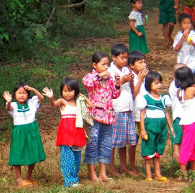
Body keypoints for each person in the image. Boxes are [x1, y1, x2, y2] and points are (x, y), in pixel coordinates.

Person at [42, 78, 93, 187]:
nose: (67, 93)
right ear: (61, 91)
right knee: (67, 156)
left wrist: (84, 98)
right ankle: (68, 180)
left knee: (77, 156)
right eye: (65, 91)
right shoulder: (62, 101)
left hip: (77, 131)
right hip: (66, 131)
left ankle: (75, 179)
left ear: (75, 91)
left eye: (70, 90)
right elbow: (54, 104)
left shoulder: (78, 102)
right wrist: (51, 98)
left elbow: (91, 106)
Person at [82, 51, 121, 182]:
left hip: (108, 116)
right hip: (94, 117)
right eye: (103, 64)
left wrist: (118, 83)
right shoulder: (90, 77)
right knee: (93, 143)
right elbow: (87, 84)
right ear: (94, 65)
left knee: (105, 144)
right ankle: (92, 173)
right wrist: (99, 76)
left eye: (107, 65)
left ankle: (103, 173)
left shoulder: (109, 79)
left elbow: (115, 94)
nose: (105, 67)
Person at [2, 83, 45, 187]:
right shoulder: (13, 105)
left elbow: (41, 97)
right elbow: (9, 109)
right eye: (19, 93)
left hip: (32, 131)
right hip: (19, 132)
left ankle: (29, 176)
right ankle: (19, 179)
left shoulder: (31, 102)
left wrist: (33, 88)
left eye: (24, 93)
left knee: (33, 152)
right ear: (14, 95)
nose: (22, 95)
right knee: (18, 153)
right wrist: (8, 102)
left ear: (28, 95)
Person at [107, 44, 139, 177]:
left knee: (124, 139)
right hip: (117, 107)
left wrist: (130, 81)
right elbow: (109, 89)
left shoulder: (126, 69)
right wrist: (122, 81)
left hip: (128, 106)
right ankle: (111, 168)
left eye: (126, 58)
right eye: (122, 58)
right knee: (113, 140)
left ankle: (124, 166)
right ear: (113, 57)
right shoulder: (110, 71)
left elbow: (132, 91)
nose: (124, 60)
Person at [174, 66, 195, 181]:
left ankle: (193, 173)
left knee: (194, 147)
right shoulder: (192, 89)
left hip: (187, 121)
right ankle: (182, 174)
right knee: (187, 147)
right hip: (191, 122)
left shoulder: (180, 91)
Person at [139, 71, 174, 182]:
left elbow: (166, 113)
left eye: (160, 83)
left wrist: (170, 127)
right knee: (149, 150)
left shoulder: (164, 98)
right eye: (156, 83)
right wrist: (143, 129)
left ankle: (158, 174)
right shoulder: (145, 98)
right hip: (150, 127)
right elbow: (142, 114)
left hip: (161, 127)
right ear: (149, 84)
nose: (159, 85)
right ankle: (149, 175)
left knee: (158, 151)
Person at [128, 50, 148, 143]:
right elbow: (134, 94)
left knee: (147, 136)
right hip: (136, 112)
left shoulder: (147, 76)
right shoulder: (132, 78)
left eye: (144, 62)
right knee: (134, 140)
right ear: (132, 65)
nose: (143, 65)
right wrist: (140, 79)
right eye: (140, 62)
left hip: (146, 112)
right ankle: (132, 158)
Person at [169, 63, 186, 159]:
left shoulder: (183, 84)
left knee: (184, 136)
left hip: (185, 115)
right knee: (178, 135)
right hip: (179, 115)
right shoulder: (175, 85)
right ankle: (176, 152)